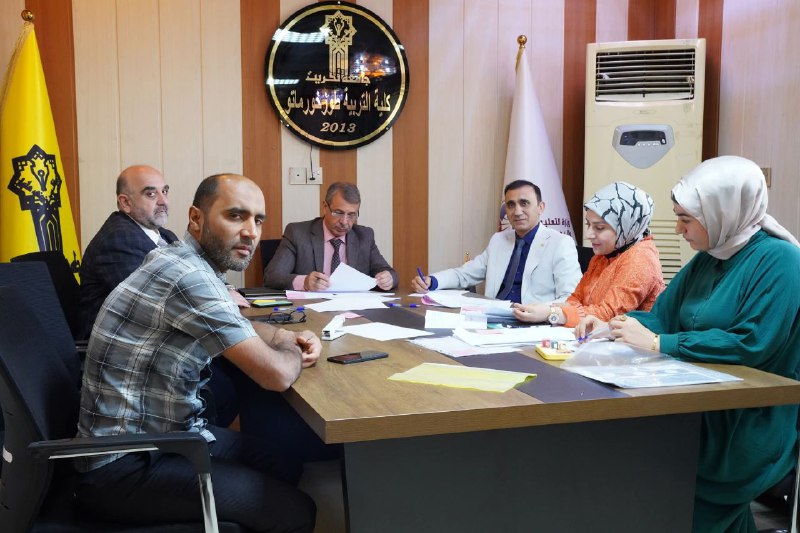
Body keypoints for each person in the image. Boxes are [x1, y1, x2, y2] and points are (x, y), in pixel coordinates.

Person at [74, 174, 320, 531]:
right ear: (196, 218)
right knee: (296, 512)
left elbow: (234, 322)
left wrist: (283, 334)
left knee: (283, 464)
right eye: (236, 216)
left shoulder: (185, 260)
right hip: (124, 462)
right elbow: (277, 375)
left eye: (258, 220)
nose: (251, 232)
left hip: (169, 436)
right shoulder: (188, 276)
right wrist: (289, 347)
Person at [579, 156, 800, 533]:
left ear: (721, 212)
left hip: (749, 420)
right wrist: (612, 326)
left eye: (686, 219)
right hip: (699, 404)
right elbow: (664, 315)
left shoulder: (781, 262)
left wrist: (660, 343)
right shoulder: (709, 257)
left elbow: (751, 343)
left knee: (675, 497)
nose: (678, 229)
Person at [512, 181, 664, 326]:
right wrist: (549, 310)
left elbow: (609, 314)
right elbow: (575, 299)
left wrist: (551, 313)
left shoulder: (641, 258)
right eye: (588, 224)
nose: (588, 234)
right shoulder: (603, 256)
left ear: (626, 227)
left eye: (599, 228)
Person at [412, 179, 581, 304]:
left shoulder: (560, 243)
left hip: (533, 323)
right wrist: (432, 281)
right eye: (511, 205)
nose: (517, 211)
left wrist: (542, 312)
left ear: (541, 207)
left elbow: (571, 298)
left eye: (524, 203)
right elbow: (466, 274)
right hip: (492, 318)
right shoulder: (499, 240)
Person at [78, 165, 178, 340]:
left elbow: (195, 277)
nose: (163, 201)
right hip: (120, 345)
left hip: (153, 337)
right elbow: (156, 303)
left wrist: (224, 289)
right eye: (151, 194)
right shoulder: (119, 240)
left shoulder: (165, 236)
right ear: (125, 203)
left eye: (164, 191)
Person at [264, 181, 398, 291]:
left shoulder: (364, 236)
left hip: (353, 308)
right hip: (311, 309)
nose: (344, 222)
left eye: (351, 215)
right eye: (338, 213)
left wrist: (388, 279)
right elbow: (272, 276)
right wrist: (304, 282)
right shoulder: (297, 233)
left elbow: (388, 272)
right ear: (325, 207)